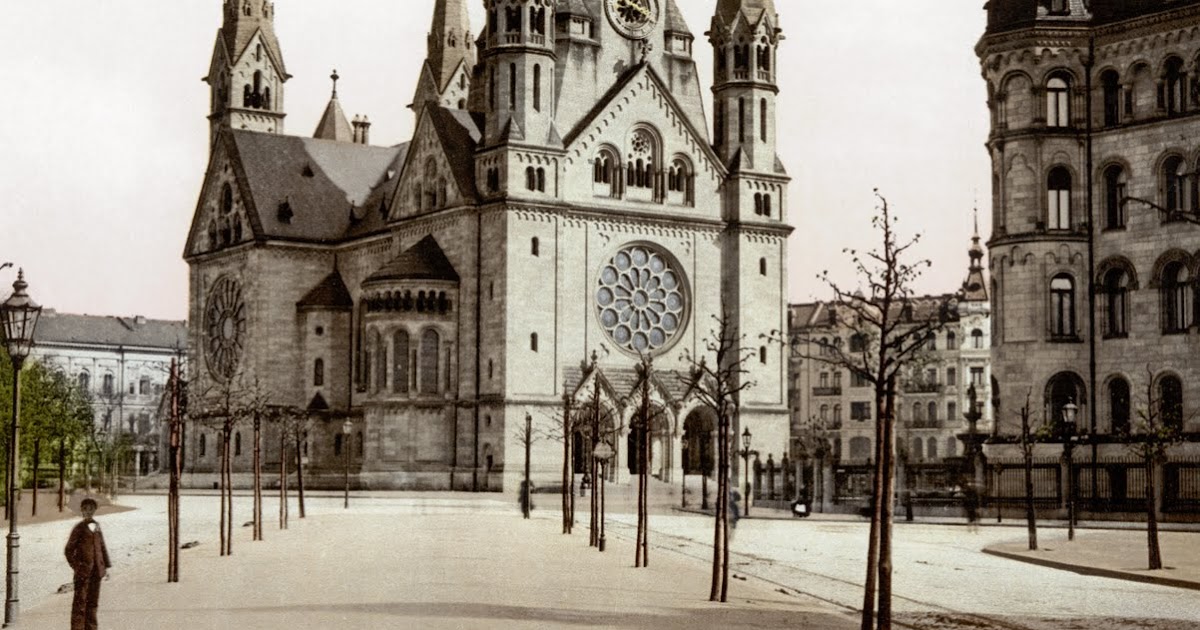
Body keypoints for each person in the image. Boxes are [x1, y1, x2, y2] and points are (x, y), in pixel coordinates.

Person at [65, 498, 111, 630]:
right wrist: (77, 567)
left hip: (97, 572)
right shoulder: (79, 528)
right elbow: (68, 550)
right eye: (86, 509)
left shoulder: (97, 526)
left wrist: (105, 567)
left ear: (94, 511)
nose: (88, 512)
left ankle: (91, 628)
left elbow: (102, 547)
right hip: (83, 573)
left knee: (93, 603)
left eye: (91, 509)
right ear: (82, 511)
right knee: (80, 603)